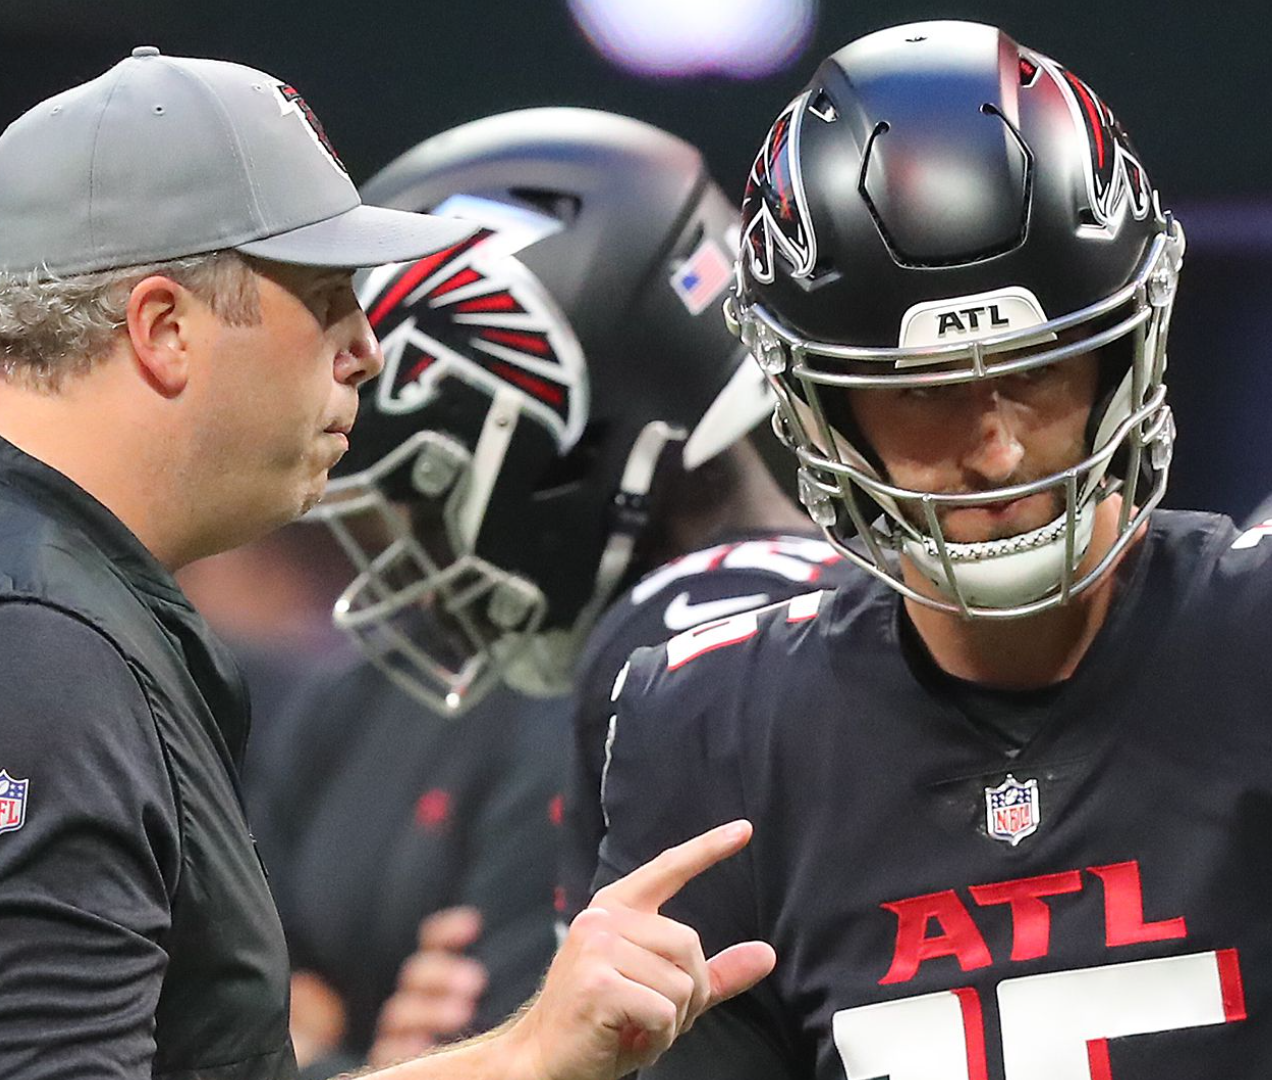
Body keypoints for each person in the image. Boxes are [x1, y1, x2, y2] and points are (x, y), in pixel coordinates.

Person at [594, 21, 1272, 1079]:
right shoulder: (711, 732)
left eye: (1037, 366)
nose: (998, 447)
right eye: (924, 390)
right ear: (822, 405)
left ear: (1128, 347)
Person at [0, 50, 770, 1080]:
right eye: (326, 295)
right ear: (164, 329)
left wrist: (517, 1057)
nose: (366, 349)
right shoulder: (20, 651)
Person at [243, 107, 832, 1075]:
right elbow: (239, 1015)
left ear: (567, 436)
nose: (412, 554)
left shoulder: (697, 668)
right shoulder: (359, 707)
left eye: (426, 493)